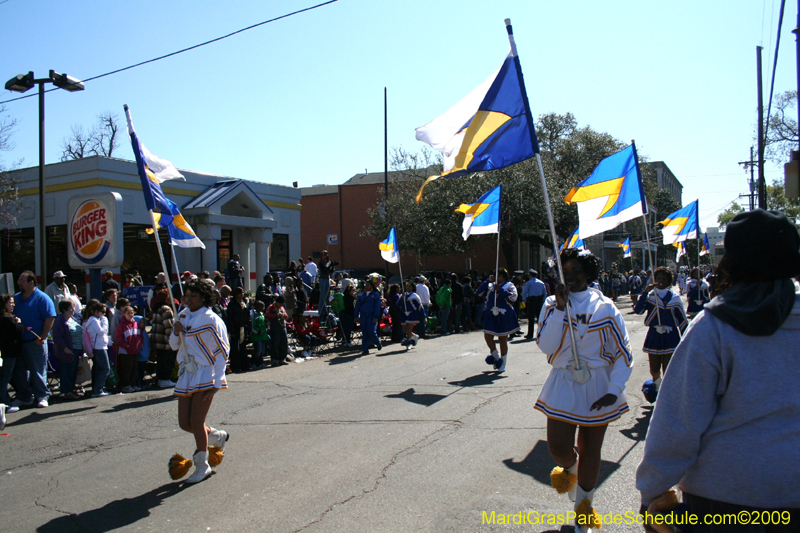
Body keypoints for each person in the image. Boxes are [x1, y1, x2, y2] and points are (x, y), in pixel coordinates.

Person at [636, 209, 800, 531]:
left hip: (723, 501)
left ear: (732, 261)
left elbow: (677, 422)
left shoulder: (713, 327)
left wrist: (652, 492)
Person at [535, 249, 633, 532]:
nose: (571, 277)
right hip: (563, 382)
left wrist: (615, 389)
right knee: (559, 450)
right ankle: (572, 471)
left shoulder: (606, 307)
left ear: (589, 273)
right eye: (566, 272)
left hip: (598, 385)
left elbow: (623, 353)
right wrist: (559, 310)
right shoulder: (552, 303)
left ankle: (584, 512)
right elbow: (546, 346)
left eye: (577, 271)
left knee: (592, 450)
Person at [170, 280, 230, 484]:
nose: (188, 299)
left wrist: (218, 381)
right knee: (185, 423)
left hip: (206, 373)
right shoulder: (183, 315)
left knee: (196, 422)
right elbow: (172, 345)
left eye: (193, 296)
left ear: (203, 297)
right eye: (186, 295)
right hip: (187, 373)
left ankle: (202, 465)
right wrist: (176, 331)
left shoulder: (211, 319)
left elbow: (223, 351)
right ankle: (215, 437)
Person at [633, 266, 687, 394]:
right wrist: (645, 292)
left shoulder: (675, 298)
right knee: (654, 367)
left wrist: (686, 339)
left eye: (664, 278)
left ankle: (668, 393)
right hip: (654, 335)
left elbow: (682, 321)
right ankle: (657, 387)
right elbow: (638, 310)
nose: (661, 281)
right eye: (658, 278)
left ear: (669, 281)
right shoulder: (650, 296)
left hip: (671, 336)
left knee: (669, 367)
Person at [12, 270, 57, 409]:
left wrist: (42, 337)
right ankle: (24, 397)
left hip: (35, 341)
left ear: (31, 282)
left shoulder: (42, 298)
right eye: (19, 280)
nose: (19, 283)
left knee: (37, 370)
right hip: (19, 342)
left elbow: (50, 318)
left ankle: (42, 396)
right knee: (20, 371)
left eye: (22, 281)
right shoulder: (17, 298)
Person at [476, 269, 520, 373]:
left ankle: (503, 363)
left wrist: (500, 290)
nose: (497, 278)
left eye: (499, 276)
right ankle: (496, 357)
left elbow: (513, 298)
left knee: (502, 339)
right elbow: (479, 293)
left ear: (504, 277)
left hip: (503, 315)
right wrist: (487, 281)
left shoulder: (509, 285)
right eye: (495, 276)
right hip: (491, 314)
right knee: (487, 336)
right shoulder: (490, 285)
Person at [51, 300, 83, 400]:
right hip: (68, 351)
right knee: (67, 372)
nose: (73, 309)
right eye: (71, 308)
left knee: (73, 371)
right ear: (64, 309)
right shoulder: (60, 321)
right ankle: (66, 392)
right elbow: (57, 336)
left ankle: (71, 390)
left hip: (77, 349)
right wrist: (65, 348)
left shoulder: (73, 318)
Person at [0, 294, 26, 413]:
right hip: (9, 352)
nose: (13, 305)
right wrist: (19, 323)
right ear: (5, 304)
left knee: (11, 376)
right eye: (11, 303)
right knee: (4, 378)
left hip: (9, 352)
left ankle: (22, 396)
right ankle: (5, 403)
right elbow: (18, 331)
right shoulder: (6, 319)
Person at [151, 289, 177, 389]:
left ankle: (161, 379)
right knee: (167, 361)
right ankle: (165, 379)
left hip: (158, 340)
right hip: (165, 341)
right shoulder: (166, 309)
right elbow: (168, 327)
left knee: (161, 361)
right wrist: (172, 340)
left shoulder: (157, 308)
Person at [85, 301, 112, 398]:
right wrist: (105, 322)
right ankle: (98, 389)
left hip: (102, 346)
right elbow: (101, 332)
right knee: (105, 368)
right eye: (102, 312)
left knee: (99, 369)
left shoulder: (97, 320)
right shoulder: (93, 320)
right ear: (96, 311)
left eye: (105, 312)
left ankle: (97, 388)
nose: (104, 314)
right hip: (98, 347)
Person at [115, 306, 144, 393]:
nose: (131, 315)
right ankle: (126, 385)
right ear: (124, 314)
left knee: (134, 368)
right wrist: (127, 346)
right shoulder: (121, 325)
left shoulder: (136, 324)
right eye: (128, 313)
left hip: (135, 350)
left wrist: (139, 345)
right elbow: (119, 339)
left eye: (132, 313)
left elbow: (140, 336)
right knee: (127, 369)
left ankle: (133, 384)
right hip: (126, 352)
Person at [355, 274, 382, 355]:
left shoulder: (375, 295)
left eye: (368, 285)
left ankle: (377, 342)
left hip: (371, 315)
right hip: (363, 315)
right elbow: (357, 306)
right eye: (365, 285)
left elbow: (377, 306)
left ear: (371, 286)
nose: (366, 286)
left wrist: (375, 316)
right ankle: (365, 349)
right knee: (365, 332)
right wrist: (355, 316)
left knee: (371, 330)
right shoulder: (361, 295)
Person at [225, 287, 249, 372]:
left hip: (243, 327)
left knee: (243, 346)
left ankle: (244, 364)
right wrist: (232, 330)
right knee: (235, 347)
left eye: (242, 293)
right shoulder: (232, 304)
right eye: (240, 293)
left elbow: (247, 314)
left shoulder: (244, 302)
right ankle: (235, 365)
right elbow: (230, 317)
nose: (241, 294)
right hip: (235, 327)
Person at [522, 269, 548, 340]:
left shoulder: (529, 283)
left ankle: (530, 334)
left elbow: (524, 292)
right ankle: (541, 333)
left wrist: (524, 300)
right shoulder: (541, 283)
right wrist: (543, 302)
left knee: (531, 318)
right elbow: (544, 293)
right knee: (540, 317)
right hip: (539, 301)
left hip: (531, 301)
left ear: (530, 275)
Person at [266, 295, 289, 366]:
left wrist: (284, 315)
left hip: (282, 327)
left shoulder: (282, 308)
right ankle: (275, 360)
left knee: (283, 344)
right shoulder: (271, 307)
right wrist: (276, 315)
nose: (281, 305)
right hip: (275, 328)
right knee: (275, 344)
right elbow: (267, 315)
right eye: (280, 303)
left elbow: (286, 316)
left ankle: (282, 359)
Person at [400, 281, 423, 349]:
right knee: (405, 330)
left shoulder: (415, 296)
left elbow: (420, 306)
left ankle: (409, 343)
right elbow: (398, 304)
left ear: (413, 287)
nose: (408, 288)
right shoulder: (403, 295)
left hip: (412, 314)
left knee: (409, 329)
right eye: (407, 286)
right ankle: (414, 336)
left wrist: (423, 316)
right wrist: (402, 298)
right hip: (404, 314)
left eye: (410, 286)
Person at [317, 250, 339, 318]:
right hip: (322, 279)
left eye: (326, 255)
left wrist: (333, 266)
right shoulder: (321, 263)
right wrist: (330, 264)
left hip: (327, 279)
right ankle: (321, 311)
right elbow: (325, 269)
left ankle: (327, 311)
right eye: (323, 255)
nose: (325, 256)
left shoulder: (328, 262)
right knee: (323, 296)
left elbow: (331, 271)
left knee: (327, 296)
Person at [250, 300, 269, 369]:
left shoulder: (262, 314)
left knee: (262, 351)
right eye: (262, 306)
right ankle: (253, 362)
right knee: (258, 350)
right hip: (256, 335)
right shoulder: (253, 314)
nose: (263, 308)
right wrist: (257, 332)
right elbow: (252, 325)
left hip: (263, 335)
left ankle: (260, 363)